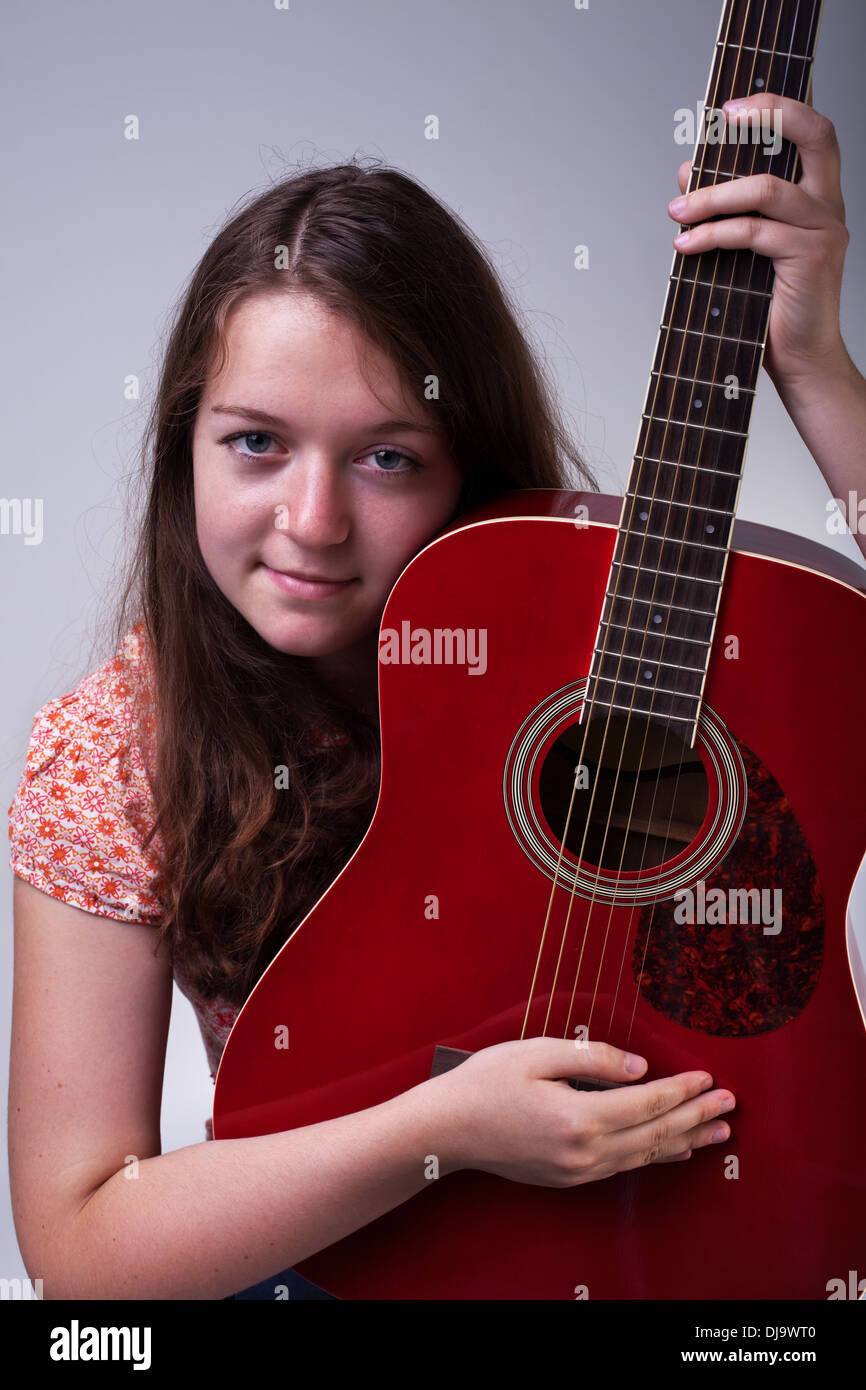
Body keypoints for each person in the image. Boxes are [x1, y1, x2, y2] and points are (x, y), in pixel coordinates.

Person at [8, 93, 866, 1301]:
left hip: (725, 1235)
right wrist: (444, 1129)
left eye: (386, 455)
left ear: (471, 461)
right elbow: (84, 1249)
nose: (312, 522)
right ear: (181, 446)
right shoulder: (119, 751)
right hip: (357, 1262)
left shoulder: (611, 646)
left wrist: (814, 366)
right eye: (255, 442)